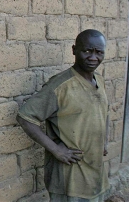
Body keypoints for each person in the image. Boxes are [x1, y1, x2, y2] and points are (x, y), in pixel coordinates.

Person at [17, 29, 110, 202]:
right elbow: (25, 118)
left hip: (94, 173)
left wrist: (104, 141)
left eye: (99, 52)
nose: (93, 57)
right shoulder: (61, 86)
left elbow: (103, 111)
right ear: (74, 50)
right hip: (70, 178)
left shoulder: (99, 80)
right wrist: (57, 150)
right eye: (87, 51)